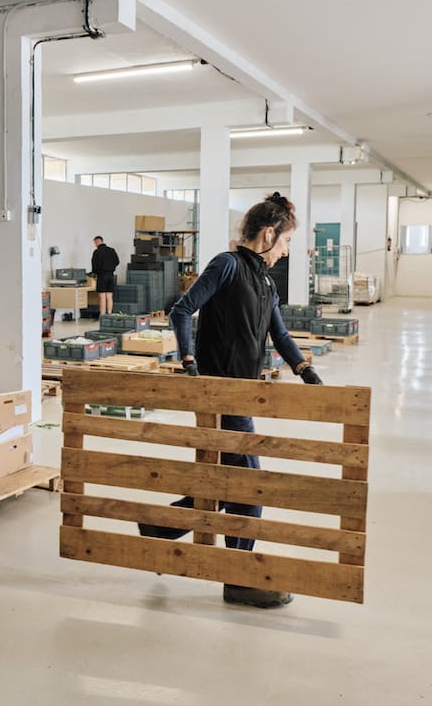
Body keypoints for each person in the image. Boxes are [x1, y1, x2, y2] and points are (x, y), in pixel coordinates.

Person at [145, 192, 323, 609]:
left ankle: (160, 529)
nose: (286, 251)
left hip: (244, 394)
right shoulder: (227, 265)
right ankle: (239, 578)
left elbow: (279, 334)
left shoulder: (265, 282)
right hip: (220, 393)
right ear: (268, 234)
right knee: (249, 485)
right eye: (286, 242)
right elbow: (182, 310)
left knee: (229, 484)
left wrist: (305, 370)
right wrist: (189, 359)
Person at [90, 236, 120, 316]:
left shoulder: (97, 252)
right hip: (111, 275)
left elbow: (94, 265)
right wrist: (111, 267)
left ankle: (102, 315)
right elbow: (117, 261)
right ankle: (109, 314)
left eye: (95, 243)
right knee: (109, 297)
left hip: (102, 276)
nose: (95, 245)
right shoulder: (111, 250)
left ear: (97, 242)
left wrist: (95, 273)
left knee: (102, 297)